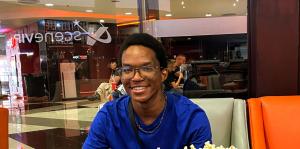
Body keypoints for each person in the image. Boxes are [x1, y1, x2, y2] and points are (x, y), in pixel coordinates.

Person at [83, 33, 212, 149]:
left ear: (163, 74)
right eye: (127, 69)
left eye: (146, 68)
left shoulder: (191, 117)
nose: (136, 77)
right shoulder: (109, 116)